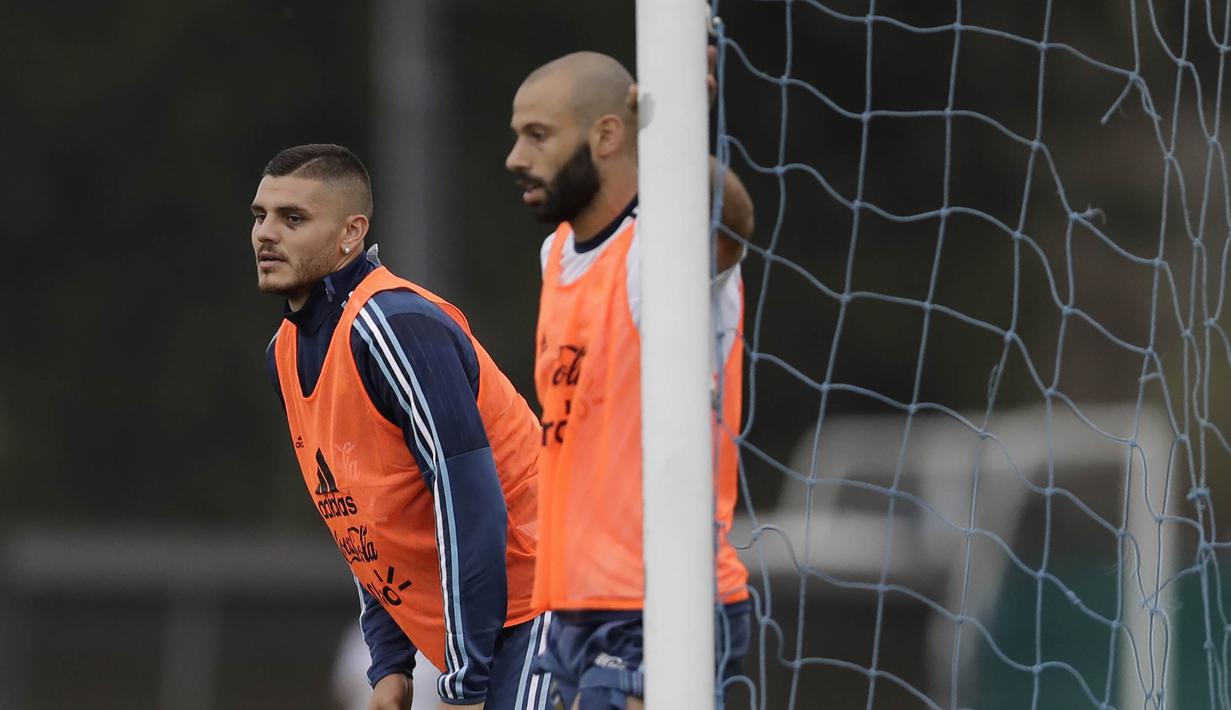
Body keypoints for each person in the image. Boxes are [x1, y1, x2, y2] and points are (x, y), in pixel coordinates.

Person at [253, 143, 551, 710]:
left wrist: (463, 680)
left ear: (350, 234)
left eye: (293, 218)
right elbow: (362, 517)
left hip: (544, 605)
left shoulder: (394, 326)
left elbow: (469, 503)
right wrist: (389, 663)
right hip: (491, 631)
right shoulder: (284, 354)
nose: (267, 233)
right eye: (260, 216)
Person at [504, 52, 755, 710]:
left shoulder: (662, 248)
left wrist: (671, 130)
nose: (515, 157)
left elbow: (732, 226)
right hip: (571, 607)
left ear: (608, 136)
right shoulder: (556, 253)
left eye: (537, 135)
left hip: (657, 601)